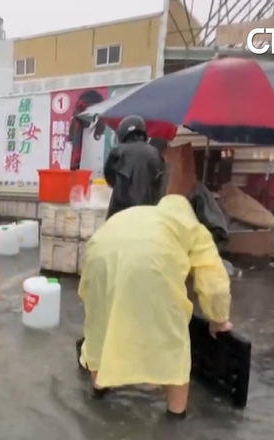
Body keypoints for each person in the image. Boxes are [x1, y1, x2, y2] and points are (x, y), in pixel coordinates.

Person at [77, 181, 232, 417]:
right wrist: (218, 320)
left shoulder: (143, 213)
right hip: (151, 263)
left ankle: (99, 393)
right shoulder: (193, 228)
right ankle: (175, 414)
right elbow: (215, 283)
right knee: (173, 342)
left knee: (101, 327)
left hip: (98, 255)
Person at [103, 115, 165, 218]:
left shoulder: (118, 151)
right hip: (149, 212)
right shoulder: (156, 152)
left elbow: (109, 177)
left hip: (121, 211)